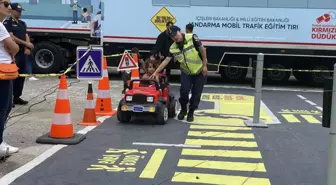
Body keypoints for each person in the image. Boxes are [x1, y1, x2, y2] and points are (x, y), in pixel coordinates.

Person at [150, 25, 208, 122]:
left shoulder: (192, 37)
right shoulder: (173, 48)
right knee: (184, 91)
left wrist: (204, 66)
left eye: (175, 34)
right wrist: (156, 71)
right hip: (186, 72)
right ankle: (184, 110)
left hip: (199, 71)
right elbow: (166, 61)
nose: (175, 37)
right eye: (172, 37)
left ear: (179, 31)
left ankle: (191, 112)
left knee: (196, 93)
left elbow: (202, 50)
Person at [0, 0, 20, 157]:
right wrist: (12, 44)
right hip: (2, 71)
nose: (9, 7)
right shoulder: (0, 27)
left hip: (4, 70)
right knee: (3, 108)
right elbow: (14, 48)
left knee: (6, 106)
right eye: (4, 4)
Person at [4, 3, 33, 106]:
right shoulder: (8, 23)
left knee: (21, 74)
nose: (20, 13)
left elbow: (26, 35)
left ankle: (17, 96)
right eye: (18, 11)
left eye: (21, 11)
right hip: (14, 53)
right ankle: (9, 97)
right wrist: (26, 43)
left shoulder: (22, 23)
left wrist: (28, 47)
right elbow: (12, 37)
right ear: (12, 11)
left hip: (22, 53)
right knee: (13, 75)